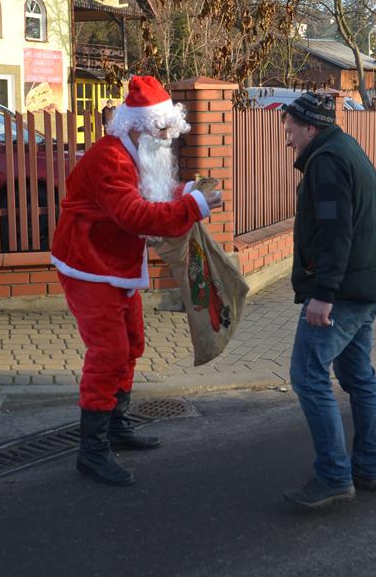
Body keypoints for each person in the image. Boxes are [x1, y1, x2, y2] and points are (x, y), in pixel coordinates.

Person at [51, 75, 222, 486]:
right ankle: (92, 451)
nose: (166, 138)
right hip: (89, 265)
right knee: (109, 352)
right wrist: (193, 205)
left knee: (132, 343)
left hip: (115, 263)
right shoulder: (110, 159)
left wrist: (186, 190)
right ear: (137, 125)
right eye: (161, 129)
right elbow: (136, 214)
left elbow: (153, 193)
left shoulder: (135, 152)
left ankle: (116, 425)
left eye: (169, 129)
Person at [281, 92, 376, 509]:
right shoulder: (346, 148)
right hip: (366, 285)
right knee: (359, 376)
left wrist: (323, 296)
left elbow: (335, 232)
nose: (287, 137)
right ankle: (368, 466)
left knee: (308, 375)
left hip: (343, 293)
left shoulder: (326, 161)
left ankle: (333, 476)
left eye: (291, 129)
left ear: (310, 127)